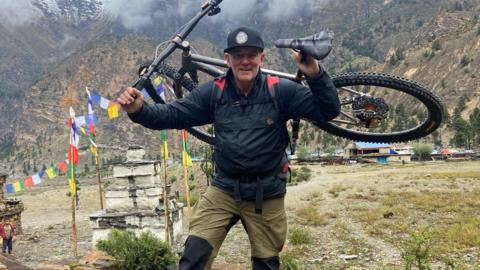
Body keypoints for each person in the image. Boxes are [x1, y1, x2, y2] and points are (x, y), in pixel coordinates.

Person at [118, 27, 340, 270]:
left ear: (261, 59)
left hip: (266, 192)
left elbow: (328, 111)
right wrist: (139, 110)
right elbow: (173, 114)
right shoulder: (214, 92)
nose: (245, 61)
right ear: (227, 59)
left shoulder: (281, 90)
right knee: (193, 258)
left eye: (251, 55)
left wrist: (315, 74)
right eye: (237, 55)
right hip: (224, 189)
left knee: (266, 264)